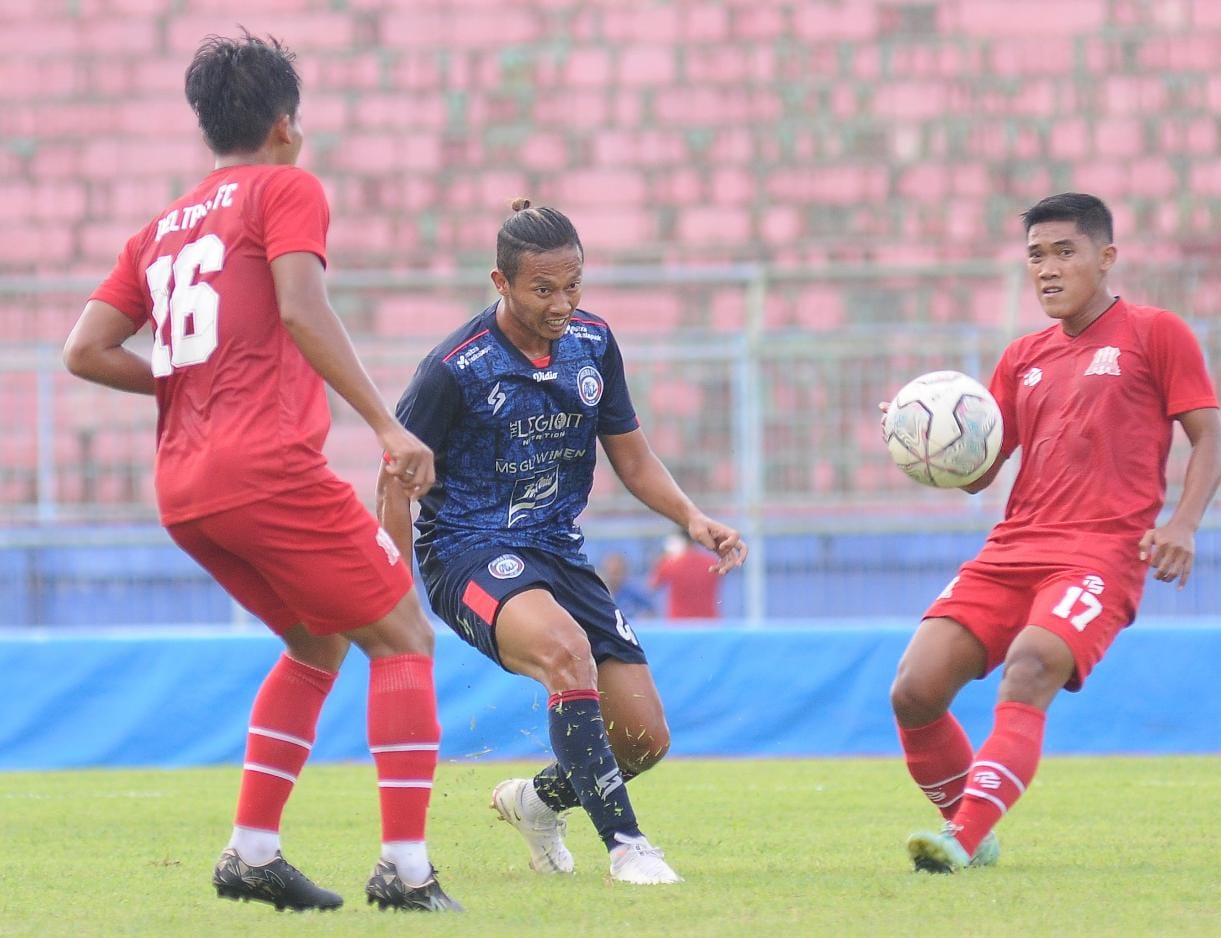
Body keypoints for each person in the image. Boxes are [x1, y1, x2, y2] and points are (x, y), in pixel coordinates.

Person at [61, 32, 461, 912]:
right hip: (266, 469)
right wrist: (389, 426)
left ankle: (252, 852)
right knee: (404, 637)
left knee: (316, 641)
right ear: (286, 123)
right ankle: (405, 870)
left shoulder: (158, 231)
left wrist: (180, 375)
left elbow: (84, 351)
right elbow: (301, 305)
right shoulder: (288, 188)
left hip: (183, 486)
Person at [379, 200, 747, 885]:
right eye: (543, 289)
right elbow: (394, 480)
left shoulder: (594, 343)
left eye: (573, 285)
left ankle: (536, 803)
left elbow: (632, 459)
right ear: (502, 283)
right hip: (466, 550)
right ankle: (629, 847)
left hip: (557, 547)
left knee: (643, 739)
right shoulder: (454, 369)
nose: (562, 303)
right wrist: (396, 598)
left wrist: (693, 521)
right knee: (565, 651)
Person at [888, 192, 1221, 873]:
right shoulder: (1021, 357)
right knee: (914, 690)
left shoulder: (1156, 334)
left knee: (1033, 665)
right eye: (1036, 256)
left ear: (1106, 258)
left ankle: (962, 838)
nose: (1047, 269)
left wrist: (1183, 523)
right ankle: (970, 830)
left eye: (1065, 252)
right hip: (1014, 548)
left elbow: (1211, 436)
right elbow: (981, 473)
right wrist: (921, 434)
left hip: (1101, 552)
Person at [649, 529, 723, 619]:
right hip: (708, 621)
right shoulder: (711, 562)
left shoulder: (670, 563)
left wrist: (661, 561)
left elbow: (652, 586)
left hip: (679, 622)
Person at [600, 551, 658, 620]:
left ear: (624, 572)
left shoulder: (635, 593)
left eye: (617, 572)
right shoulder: (600, 594)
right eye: (611, 573)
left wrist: (643, 618)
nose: (613, 577)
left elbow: (652, 612)